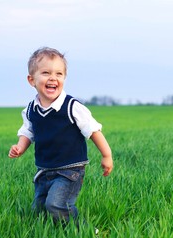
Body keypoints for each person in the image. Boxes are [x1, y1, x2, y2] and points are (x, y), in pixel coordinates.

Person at [9, 47, 113, 227]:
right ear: (31, 80)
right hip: (44, 170)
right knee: (39, 209)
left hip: (70, 170)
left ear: (64, 78)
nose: (53, 78)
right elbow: (28, 132)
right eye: (46, 73)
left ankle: (86, 232)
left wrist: (107, 155)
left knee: (56, 205)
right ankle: (47, 235)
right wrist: (20, 147)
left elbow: (94, 131)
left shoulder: (72, 106)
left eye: (59, 73)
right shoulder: (31, 109)